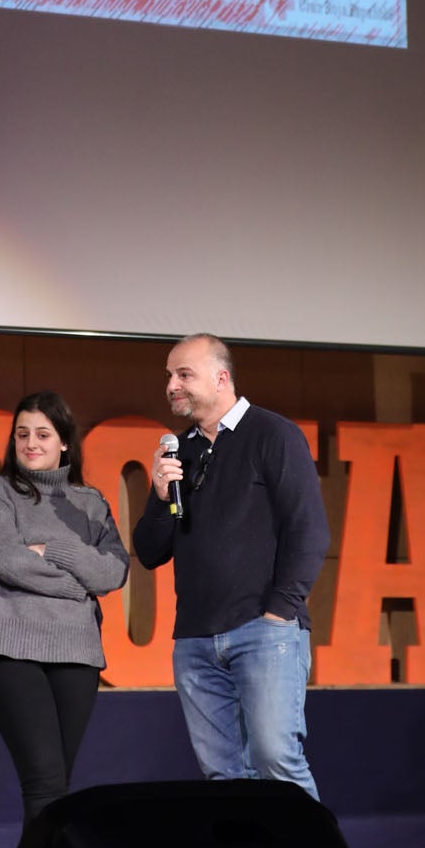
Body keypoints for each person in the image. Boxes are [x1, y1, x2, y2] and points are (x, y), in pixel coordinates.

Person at [131, 334, 328, 797]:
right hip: (196, 642)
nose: (171, 386)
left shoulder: (273, 434)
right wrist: (160, 497)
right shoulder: (180, 450)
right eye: (169, 376)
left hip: (264, 631)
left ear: (222, 379)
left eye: (184, 375)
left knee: (276, 760)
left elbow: (310, 529)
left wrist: (280, 611)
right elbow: (151, 549)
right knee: (224, 778)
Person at [0, 393, 128, 823]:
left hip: (76, 652)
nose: (30, 443)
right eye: (22, 434)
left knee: (57, 789)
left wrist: (52, 549)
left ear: (64, 443)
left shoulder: (90, 503)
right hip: (9, 647)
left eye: (42, 434)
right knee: (44, 783)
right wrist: (78, 587)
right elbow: (4, 559)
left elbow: (113, 573)